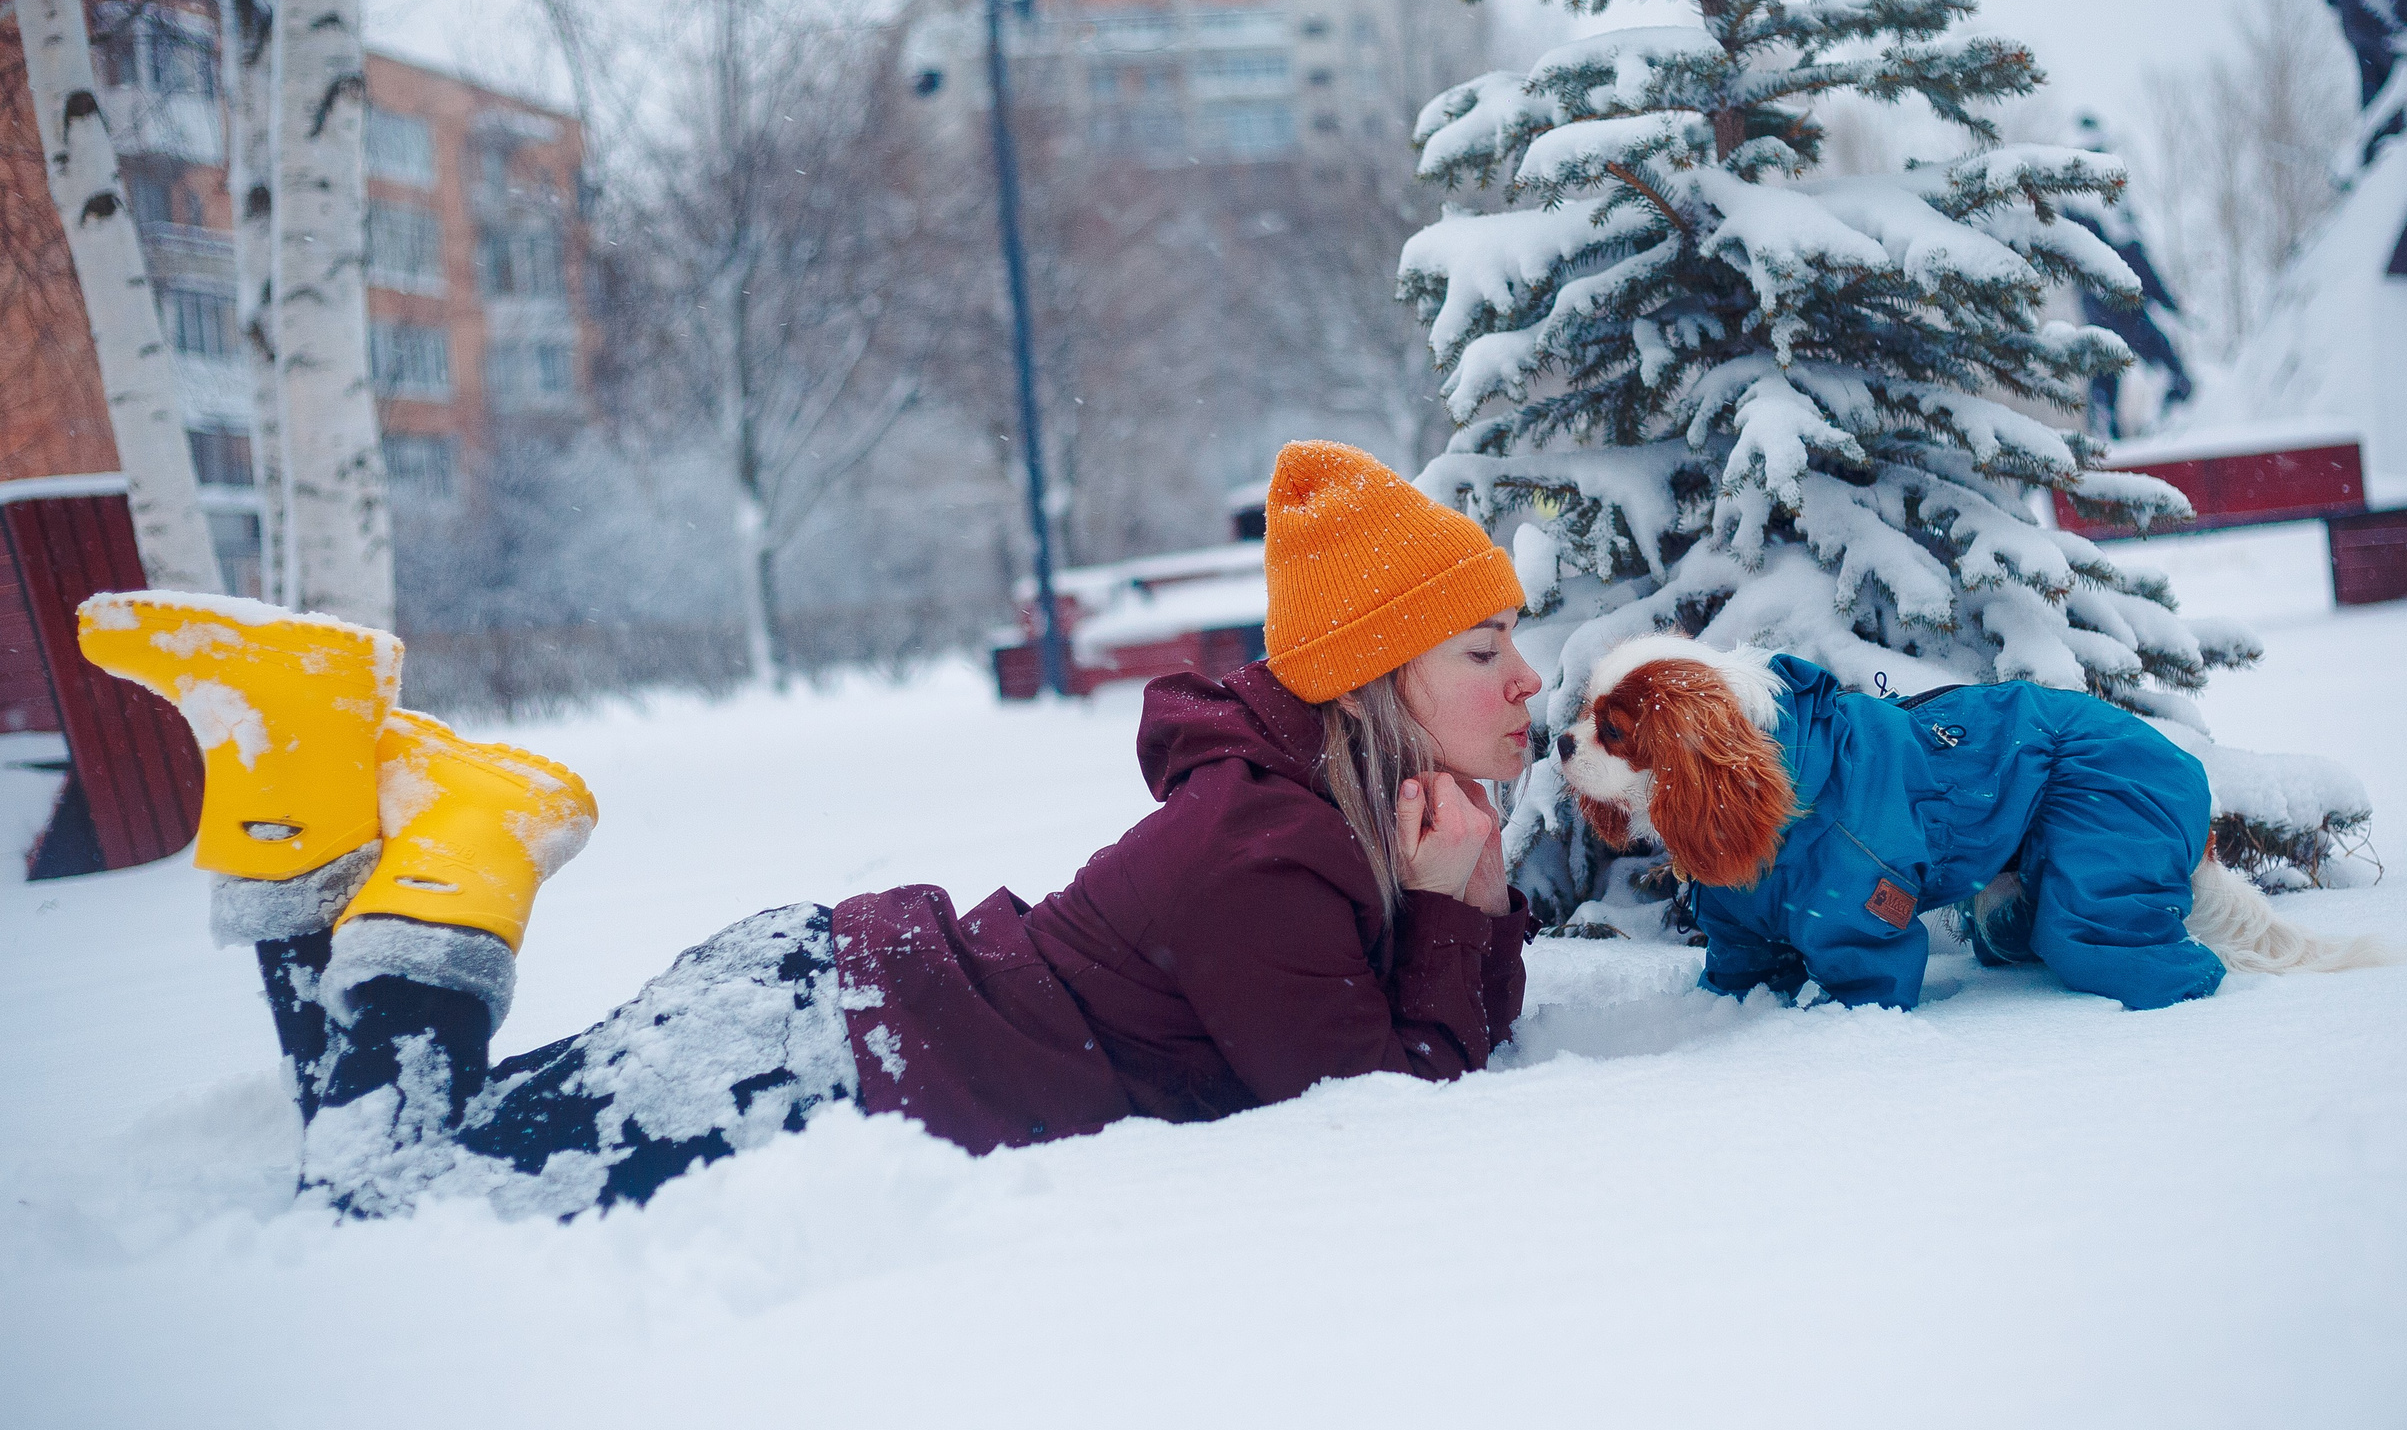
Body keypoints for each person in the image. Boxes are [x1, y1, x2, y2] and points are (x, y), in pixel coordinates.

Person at [80, 441, 1542, 1220]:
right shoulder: (1266, 852)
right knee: (386, 1201)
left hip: (827, 1012)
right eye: (1482, 652)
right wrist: (1461, 913)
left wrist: (1457, 903)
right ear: (1373, 682)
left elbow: (1436, 1036)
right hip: (814, 1055)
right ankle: (466, 840)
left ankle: (294, 748)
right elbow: (1374, 1113)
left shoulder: (1333, 816)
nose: (1528, 679)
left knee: (392, 1158)